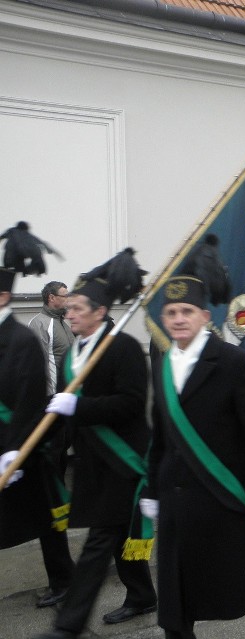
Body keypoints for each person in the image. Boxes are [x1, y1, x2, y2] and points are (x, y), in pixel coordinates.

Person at [144, 238, 245, 639]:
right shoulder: (160, 366)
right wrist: (153, 488)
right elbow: (161, 434)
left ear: (204, 315)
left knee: (238, 571)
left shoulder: (234, 363)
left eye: (186, 311)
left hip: (223, 492)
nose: (177, 319)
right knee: (176, 586)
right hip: (176, 496)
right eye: (171, 312)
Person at [34, 249, 157, 639]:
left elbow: (132, 403)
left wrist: (80, 406)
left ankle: (68, 626)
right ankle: (142, 595)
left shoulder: (122, 348)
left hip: (122, 461)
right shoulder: (74, 352)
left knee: (97, 544)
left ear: (100, 311)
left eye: (77, 308)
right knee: (119, 536)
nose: (69, 313)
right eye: (67, 308)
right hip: (92, 461)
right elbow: (68, 414)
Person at [0, 227, 75, 612]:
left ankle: (64, 581)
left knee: (47, 522)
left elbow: (30, 401)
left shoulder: (21, 340)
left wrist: (12, 451)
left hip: (23, 450)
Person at [29, 281, 74, 397]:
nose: (68, 300)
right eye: (65, 296)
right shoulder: (39, 324)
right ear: (52, 298)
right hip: (53, 395)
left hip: (69, 392)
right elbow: (38, 365)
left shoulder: (64, 323)